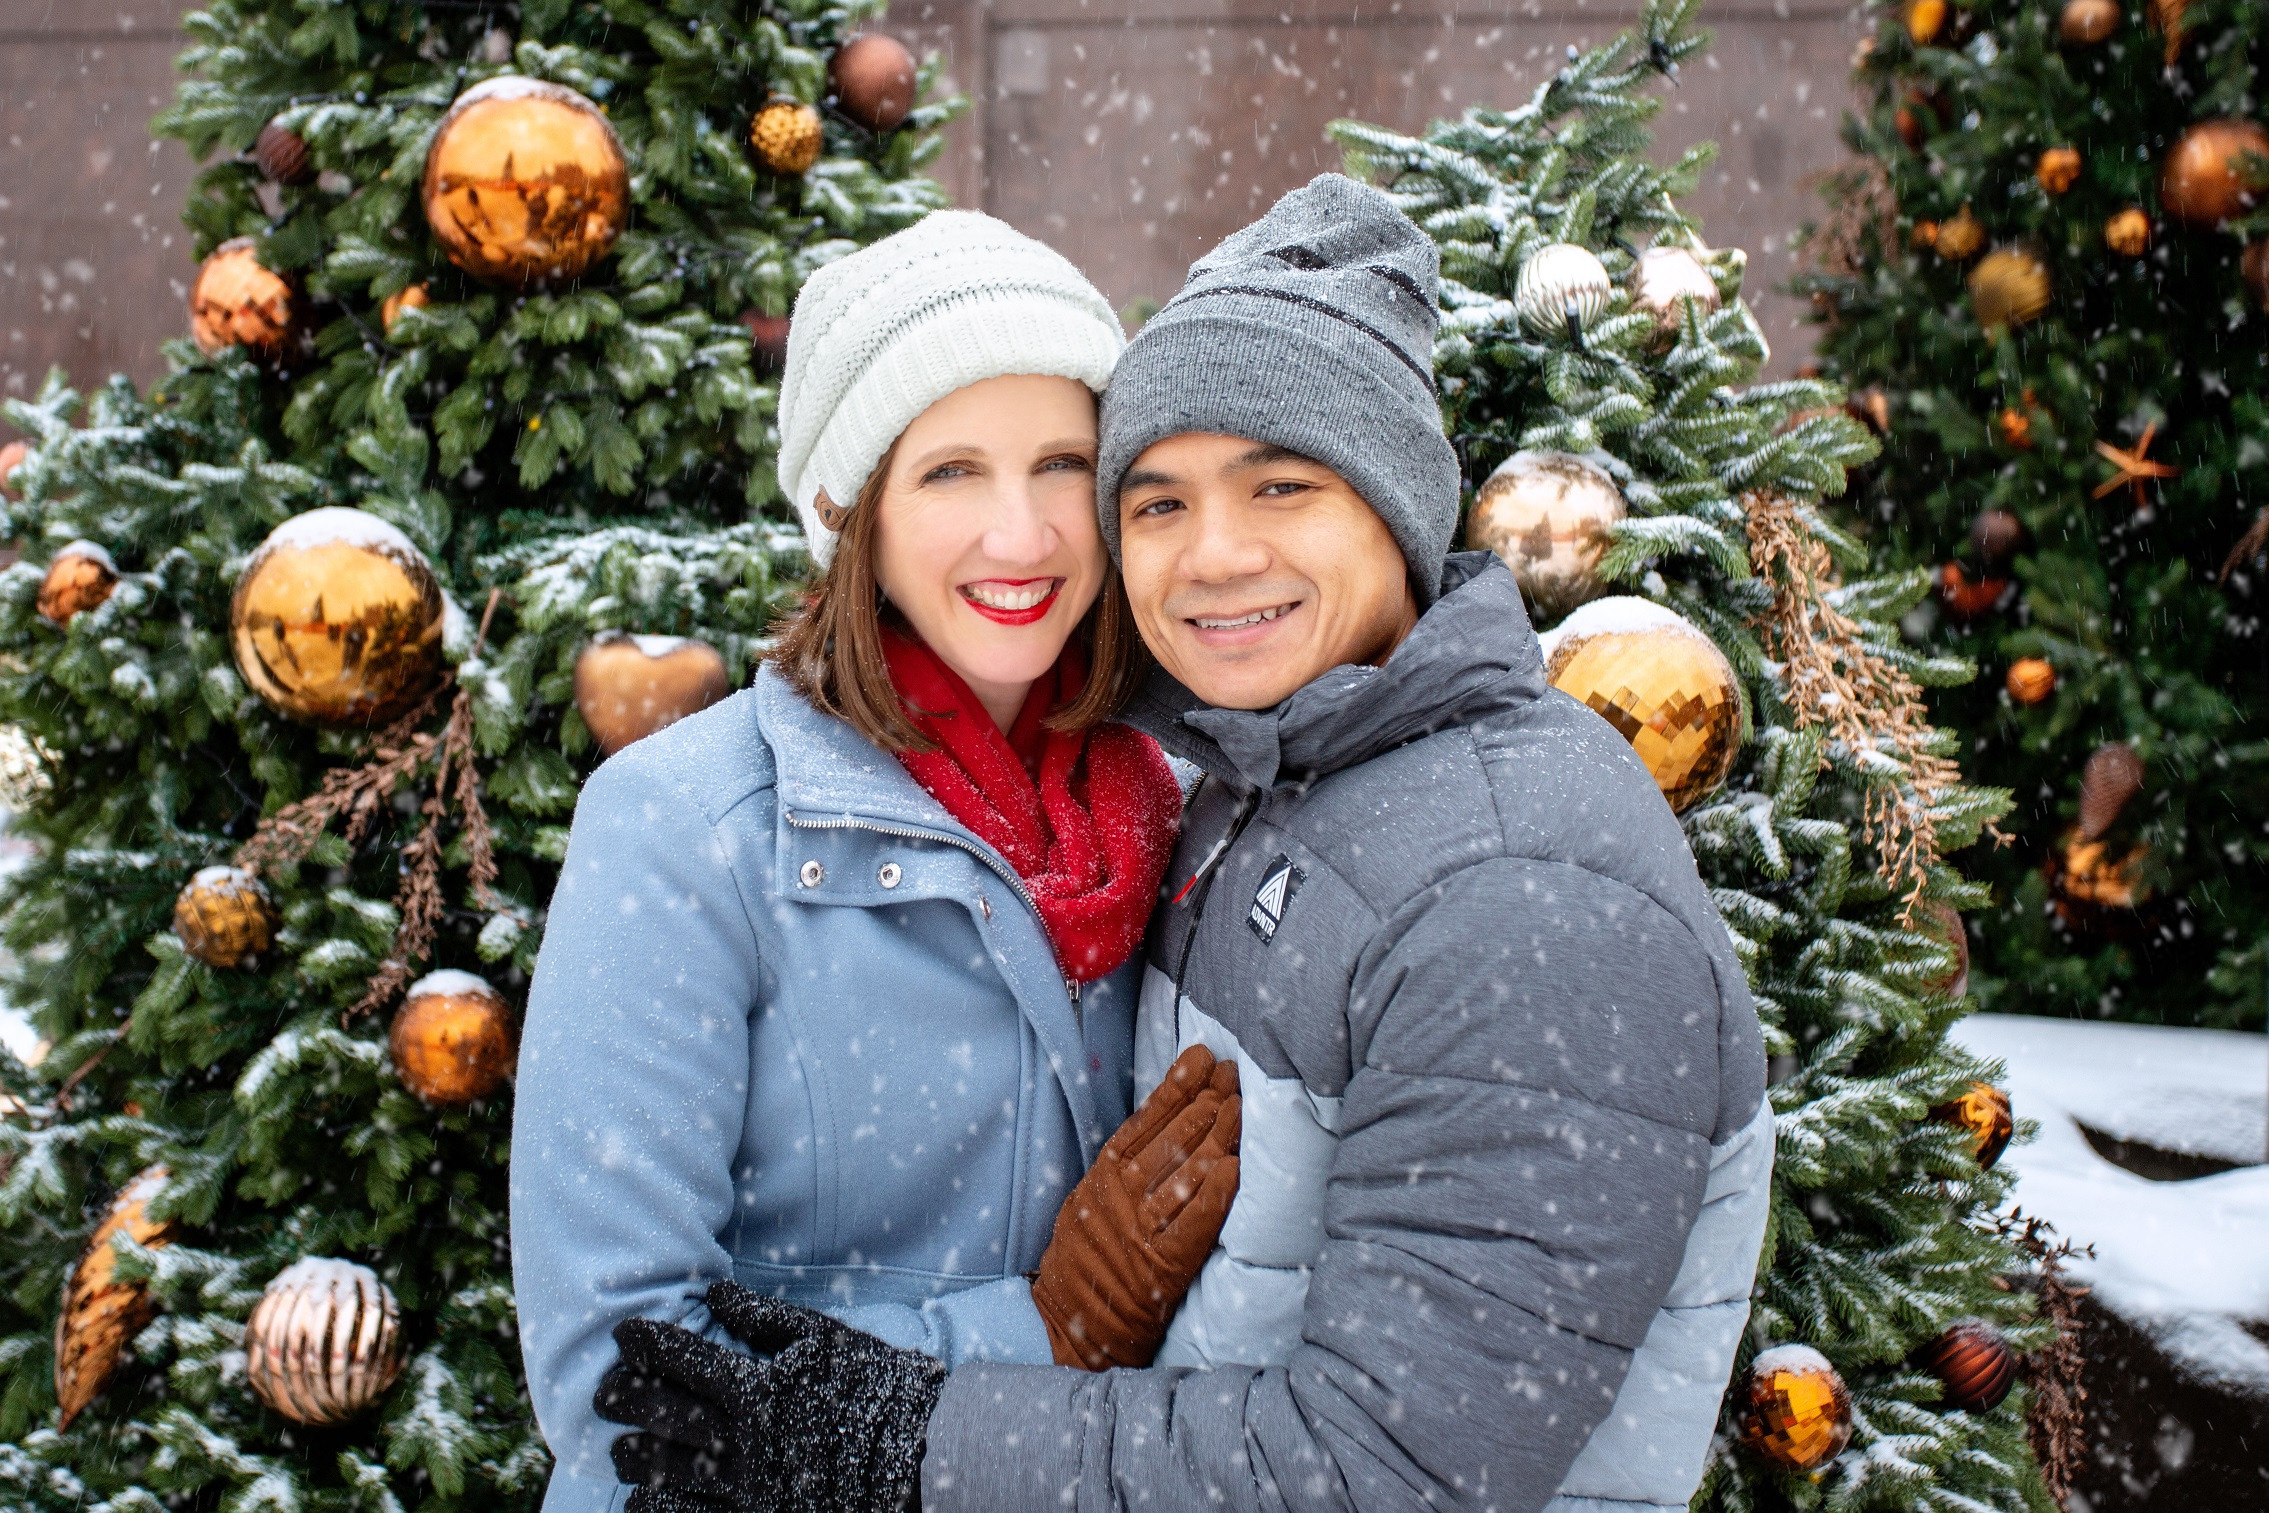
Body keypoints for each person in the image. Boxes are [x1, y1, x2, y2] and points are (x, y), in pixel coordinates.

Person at [594, 176, 1773, 1513]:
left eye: (1281, 484)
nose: (1211, 555)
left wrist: (915, 1435)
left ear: (1395, 505)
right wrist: (1037, 1335)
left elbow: (1388, 1473)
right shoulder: (1241, 781)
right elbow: (623, 1365)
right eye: (1155, 502)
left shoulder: (1524, 892)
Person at [510, 210, 1244, 1513]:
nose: (1020, 535)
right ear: (850, 506)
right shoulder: (689, 828)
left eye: (1061, 464)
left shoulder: (1173, 802)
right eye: (950, 470)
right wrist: (1040, 1338)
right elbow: (622, 1379)